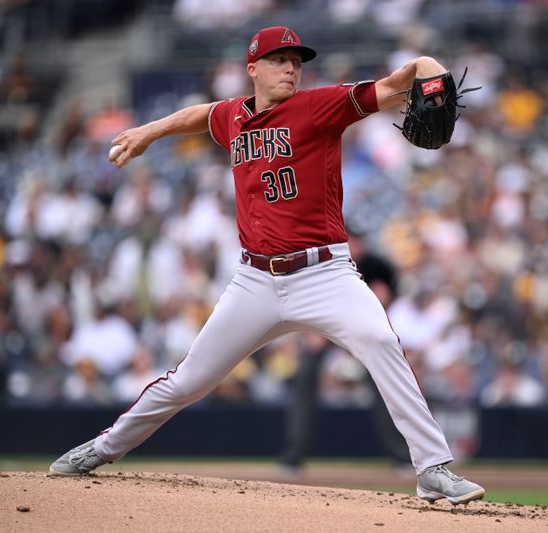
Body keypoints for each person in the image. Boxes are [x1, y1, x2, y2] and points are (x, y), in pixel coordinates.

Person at [49, 26, 485, 505]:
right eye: (280, 60)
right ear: (252, 68)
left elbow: (393, 86)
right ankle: (102, 448)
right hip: (254, 280)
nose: (292, 69)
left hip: (325, 273)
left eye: (297, 62)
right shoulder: (234, 116)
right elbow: (202, 115)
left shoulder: (320, 105)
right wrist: (151, 131)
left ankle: (432, 468)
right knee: (188, 381)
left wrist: (424, 65)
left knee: (381, 342)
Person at [279, 231, 411, 475]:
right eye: (350, 239)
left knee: (386, 378)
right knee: (305, 374)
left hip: (363, 326)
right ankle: (293, 457)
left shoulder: (376, 266)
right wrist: (313, 331)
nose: (354, 245)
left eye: (358, 240)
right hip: (326, 326)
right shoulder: (323, 263)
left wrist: (382, 301)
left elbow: (388, 299)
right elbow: (304, 301)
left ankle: (403, 456)